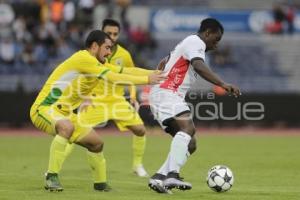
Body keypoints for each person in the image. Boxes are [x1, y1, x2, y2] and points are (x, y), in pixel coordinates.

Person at [30, 30, 165, 192]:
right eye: (107, 48)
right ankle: (51, 177)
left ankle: (100, 185)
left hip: (65, 114)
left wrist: (155, 73)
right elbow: (113, 78)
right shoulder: (83, 58)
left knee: (96, 144)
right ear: (94, 46)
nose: (109, 52)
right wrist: (146, 80)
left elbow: (126, 71)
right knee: (66, 127)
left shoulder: (98, 64)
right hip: (44, 108)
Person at [148, 18, 241, 194]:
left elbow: (162, 62)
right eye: (216, 39)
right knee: (188, 127)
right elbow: (198, 66)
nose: (216, 45)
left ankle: (159, 177)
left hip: (163, 94)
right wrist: (222, 84)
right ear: (207, 33)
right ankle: (172, 175)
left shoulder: (186, 44)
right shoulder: (195, 41)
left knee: (190, 144)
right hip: (167, 93)